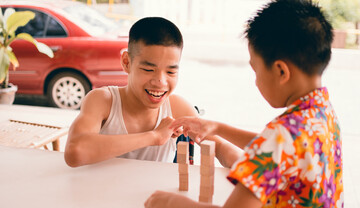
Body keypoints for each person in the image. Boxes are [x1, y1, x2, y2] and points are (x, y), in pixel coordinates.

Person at [144, 1, 343, 208]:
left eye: (256, 70)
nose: (256, 81)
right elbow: (282, 150)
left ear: (281, 71)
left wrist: (171, 202)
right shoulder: (322, 111)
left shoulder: (280, 135)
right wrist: (218, 127)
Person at [65, 17, 241, 168]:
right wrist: (154, 136)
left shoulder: (178, 107)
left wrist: (252, 174)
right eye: (149, 70)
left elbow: (220, 148)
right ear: (127, 62)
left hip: (153, 204)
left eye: (171, 72)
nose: (160, 82)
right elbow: (75, 152)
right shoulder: (103, 101)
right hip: (98, 198)